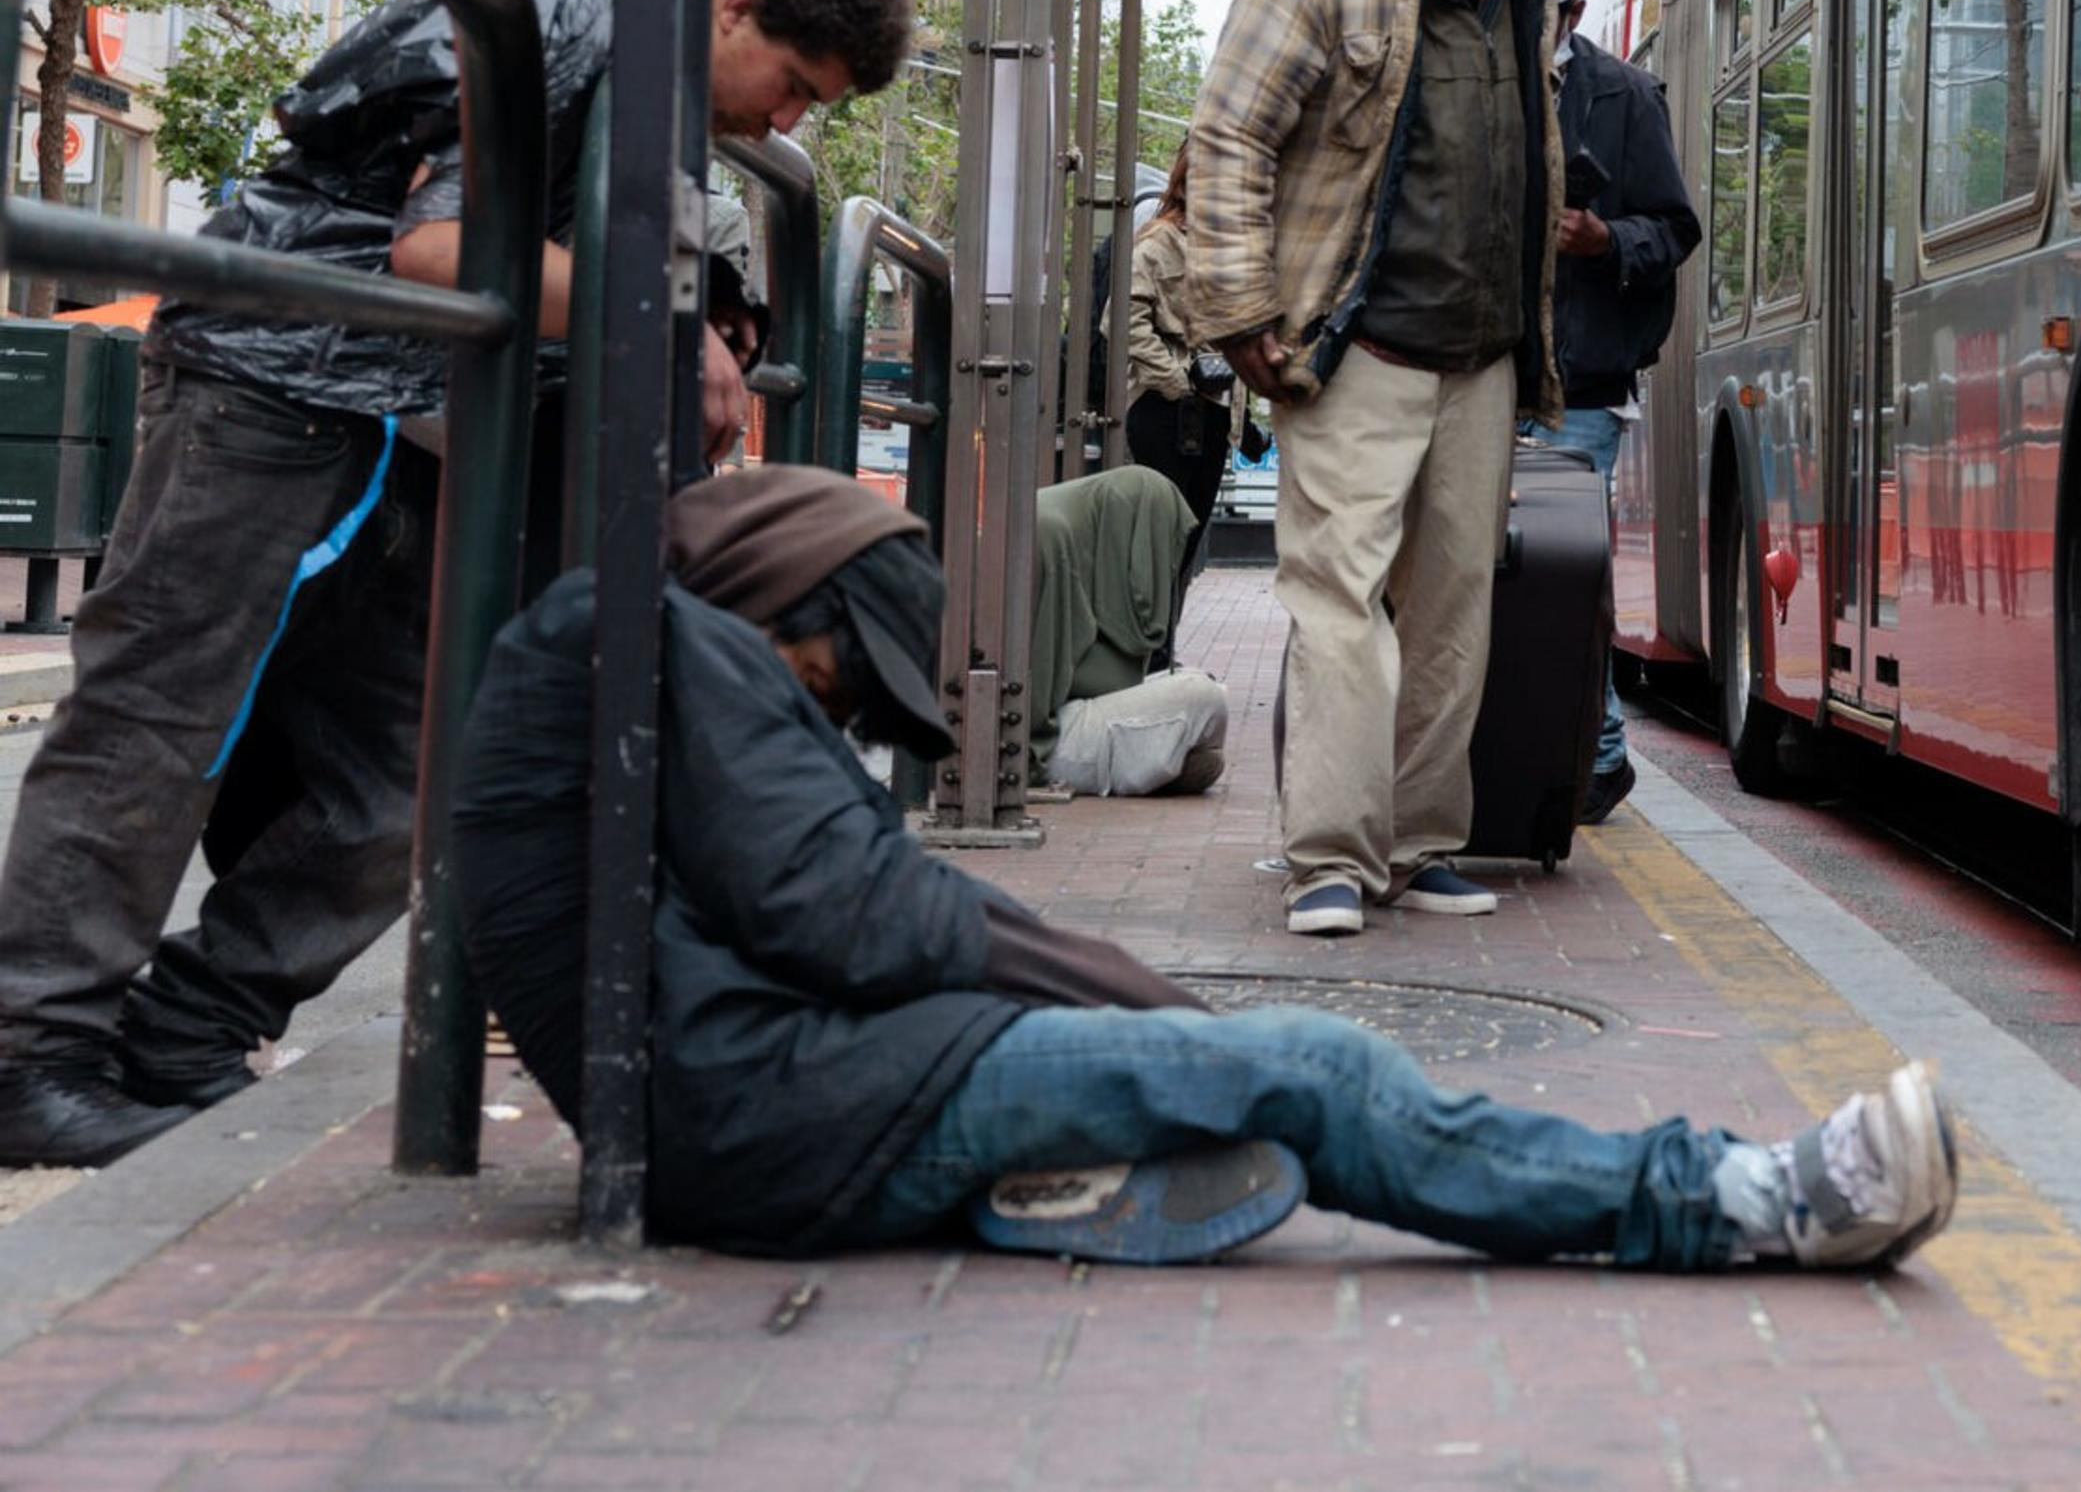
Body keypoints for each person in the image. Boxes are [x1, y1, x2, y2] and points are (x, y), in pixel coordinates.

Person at [448, 466, 1957, 1271]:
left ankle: (1050, 1167)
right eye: (851, 683)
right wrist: (1138, 1001)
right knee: (1311, 1068)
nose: (844, 716)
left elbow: (807, 905)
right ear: (787, 600)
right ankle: (1739, 1199)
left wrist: (1124, 1011)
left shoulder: (619, 649)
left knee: (1209, 1060)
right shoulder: (662, 645)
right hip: (791, 1120)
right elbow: (859, 912)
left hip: (773, 1096)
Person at [0, 0, 916, 1168]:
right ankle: (31, 1050)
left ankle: (194, 1021)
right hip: (279, 378)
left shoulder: (653, 74)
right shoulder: (551, 9)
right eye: (795, 86)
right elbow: (440, 247)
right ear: (734, 9)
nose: (787, 124)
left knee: (423, 759)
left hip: (423, 417)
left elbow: (600, 239)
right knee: (162, 716)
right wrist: (671, 314)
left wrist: (714, 306)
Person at [1186, 0, 1568, 939]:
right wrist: (1240, 311)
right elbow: (1232, 132)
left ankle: (1418, 842)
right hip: (1357, 348)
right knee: (1340, 605)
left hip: (1482, 351)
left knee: (1456, 612)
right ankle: (1330, 860)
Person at [1523, 0, 1699, 826]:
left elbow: (1674, 229)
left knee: (1566, 576)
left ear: (1573, 15)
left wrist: (1604, 240)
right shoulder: (1473, 80)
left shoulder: (1625, 95)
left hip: (1583, 387)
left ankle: (1598, 750)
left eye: (1539, 9)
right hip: (1482, 374)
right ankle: (1539, 750)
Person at [1029, 463, 1231, 797]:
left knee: (1198, 696)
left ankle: (1162, 759)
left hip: (1058, 722)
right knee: (1206, 698)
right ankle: (1163, 761)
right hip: (1039, 744)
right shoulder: (1051, 537)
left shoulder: (1077, 531)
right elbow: (1041, 689)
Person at [1110, 140, 1236, 578]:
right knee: (1160, 543)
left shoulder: (1228, 248)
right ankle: (1149, 646)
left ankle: (1162, 644)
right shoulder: (1161, 240)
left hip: (1214, 409)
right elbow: (1121, 321)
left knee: (1185, 547)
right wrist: (1176, 378)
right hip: (1167, 408)